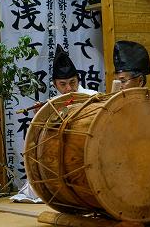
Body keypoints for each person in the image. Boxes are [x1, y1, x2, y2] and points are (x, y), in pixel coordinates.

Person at [14, 44, 98, 202]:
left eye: (72, 82)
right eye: (63, 84)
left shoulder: (93, 97)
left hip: (88, 155)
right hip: (62, 159)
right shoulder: (52, 104)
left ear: (78, 79)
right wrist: (43, 115)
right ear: (54, 85)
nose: (69, 89)